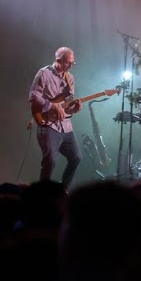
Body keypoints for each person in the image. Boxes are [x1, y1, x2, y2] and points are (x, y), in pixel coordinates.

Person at [28, 46, 83, 188]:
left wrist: (74, 109)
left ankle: (63, 189)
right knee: (50, 161)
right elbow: (33, 97)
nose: (70, 66)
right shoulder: (44, 73)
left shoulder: (70, 78)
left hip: (65, 126)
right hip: (49, 124)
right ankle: (42, 194)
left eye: (73, 63)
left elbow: (67, 105)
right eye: (68, 63)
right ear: (58, 60)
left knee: (76, 157)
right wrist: (52, 106)